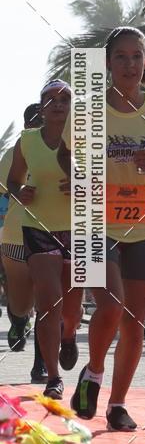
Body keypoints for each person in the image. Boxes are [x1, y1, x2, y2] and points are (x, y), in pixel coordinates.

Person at [59, 27, 145, 431]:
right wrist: (81, 177)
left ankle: (117, 405)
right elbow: (66, 155)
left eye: (137, 56)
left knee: (135, 320)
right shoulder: (88, 110)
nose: (130, 64)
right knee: (112, 305)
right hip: (95, 223)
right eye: (121, 57)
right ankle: (93, 373)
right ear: (107, 64)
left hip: (144, 227)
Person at [6, 82, 83, 399]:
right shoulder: (27, 140)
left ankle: (69, 335)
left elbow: (103, 180)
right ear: (42, 107)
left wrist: (83, 187)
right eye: (51, 99)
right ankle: (53, 377)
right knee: (49, 303)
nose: (58, 104)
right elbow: (13, 180)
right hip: (37, 227)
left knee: (72, 309)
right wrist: (19, 192)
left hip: (79, 230)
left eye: (65, 99)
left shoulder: (85, 140)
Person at [0, 103, 47, 380]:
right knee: (21, 303)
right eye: (36, 122)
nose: (41, 126)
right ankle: (18, 320)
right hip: (17, 233)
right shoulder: (15, 151)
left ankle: (40, 364)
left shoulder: (65, 150)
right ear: (27, 125)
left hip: (54, 234)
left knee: (47, 301)